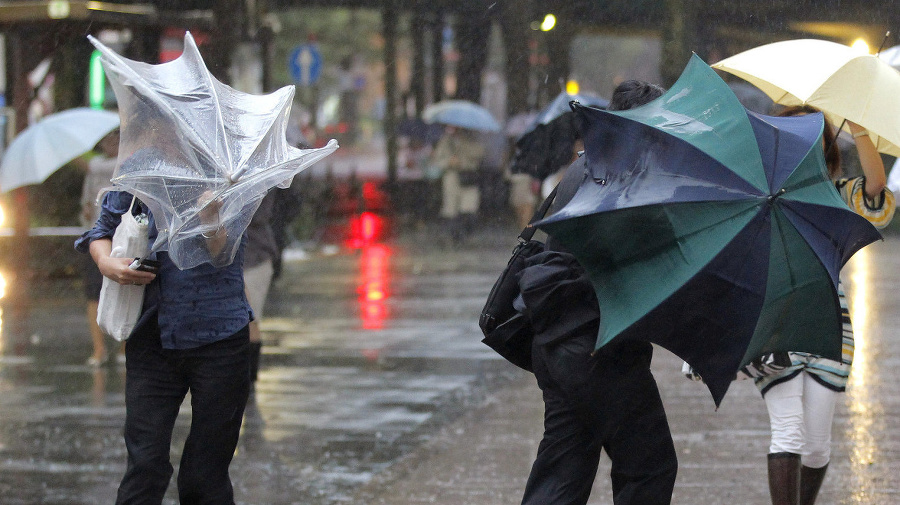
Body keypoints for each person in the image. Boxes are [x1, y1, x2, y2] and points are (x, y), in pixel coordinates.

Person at [516, 80, 677, 505]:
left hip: (556, 343)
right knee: (650, 467)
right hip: (598, 348)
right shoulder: (629, 177)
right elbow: (636, 264)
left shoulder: (587, 166)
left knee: (563, 474)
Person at [75, 178, 252, 503]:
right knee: (144, 466)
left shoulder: (227, 176)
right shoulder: (142, 173)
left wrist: (212, 219)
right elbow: (100, 231)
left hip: (220, 338)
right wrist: (106, 263)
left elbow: (223, 254)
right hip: (151, 336)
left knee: (204, 476)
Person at [754, 106, 895, 505]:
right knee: (789, 431)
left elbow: (876, 189)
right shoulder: (761, 195)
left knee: (816, 447)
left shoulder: (836, 195)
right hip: (775, 323)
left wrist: (861, 126)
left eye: (814, 137)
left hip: (829, 326)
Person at [75, 129, 124, 366]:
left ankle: (125, 347)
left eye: (114, 139)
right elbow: (87, 199)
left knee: (127, 291)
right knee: (93, 294)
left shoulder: (125, 163)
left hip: (123, 238)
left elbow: (94, 169)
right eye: (105, 139)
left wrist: (72, 154)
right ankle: (99, 349)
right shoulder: (96, 166)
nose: (110, 144)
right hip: (97, 238)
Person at [243, 190, 279, 384]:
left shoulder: (260, 179)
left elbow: (259, 215)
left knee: (250, 319)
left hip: (254, 258)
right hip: (231, 260)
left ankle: (249, 381)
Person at [428, 125, 486, 240]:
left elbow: (480, 154)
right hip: (452, 176)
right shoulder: (445, 141)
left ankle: (465, 232)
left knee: (469, 207)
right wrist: (449, 162)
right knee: (451, 208)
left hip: (468, 176)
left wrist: (463, 149)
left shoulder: (472, 140)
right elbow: (438, 160)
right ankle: (455, 235)